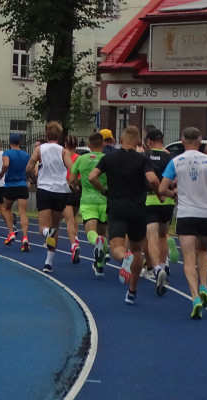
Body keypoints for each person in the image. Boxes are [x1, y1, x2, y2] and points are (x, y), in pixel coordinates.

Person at [158, 126, 207, 320]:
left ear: (182, 141)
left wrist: (174, 194)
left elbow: (162, 188)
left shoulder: (176, 161)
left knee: (188, 258)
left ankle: (195, 297)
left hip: (187, 214)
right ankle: (204, 285)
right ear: (200, 141)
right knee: (203, 251)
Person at [88, 125, 161, 305]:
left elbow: (92, 177)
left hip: (117, 208)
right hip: (137, 210)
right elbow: (152, 179)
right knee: (137, 250)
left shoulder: (109, 158)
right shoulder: (143, 159)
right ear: (138, 142)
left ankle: (124, 258)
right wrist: (158, 193)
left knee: (116, 249)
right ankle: (132, 292)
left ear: (120, 140)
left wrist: (104, 191)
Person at [27, 120, 73, 273]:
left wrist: (34, 179)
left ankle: (47, 234)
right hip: (60, 191)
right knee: (56, 226)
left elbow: (29, 166)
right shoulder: (63, 151)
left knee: (43, 228)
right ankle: (49, 262)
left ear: (46, 134)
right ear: (60, 136)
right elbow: (72, 169)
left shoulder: (40, 149)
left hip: (45, 189)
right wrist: (73, 183)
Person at [70, 131, 109, 277]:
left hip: (87, 201)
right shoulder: (108, 159)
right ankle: (99, 266)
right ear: (103, 144)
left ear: (88, 145)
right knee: (103, 232)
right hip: (105, 200)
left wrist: (82, 183)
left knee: (90, 232)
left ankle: (97, 243)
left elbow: (71, 179)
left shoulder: (81, 159)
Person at [143, 128, 176, 295]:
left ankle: (155, 269)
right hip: (167, 201)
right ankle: (163, 266)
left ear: (149, 141)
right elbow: (175, 180)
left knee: (151, 237)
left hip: (149, 200)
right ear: (162, 140)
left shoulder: (144, 157)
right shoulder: (169, 158)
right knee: (163, 236)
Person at [1, 132, 31, 251]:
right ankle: (25, 237)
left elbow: (6, 164)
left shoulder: (7, 153)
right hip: (22, 185)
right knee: (22, 212)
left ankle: (11, 233)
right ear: (20, 142)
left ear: (10, 142)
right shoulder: (26, 154)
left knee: (6, 208)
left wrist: (2, 173)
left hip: (10, 185)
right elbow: (30, 170)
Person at [63, 134, 82, 264]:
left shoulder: (64, 157)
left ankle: (73, 245)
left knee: (69, 220)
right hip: (78, 190)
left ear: (65, 145)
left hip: (67, 188)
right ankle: (76, 238)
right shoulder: (80, 158)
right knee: (74, 217)